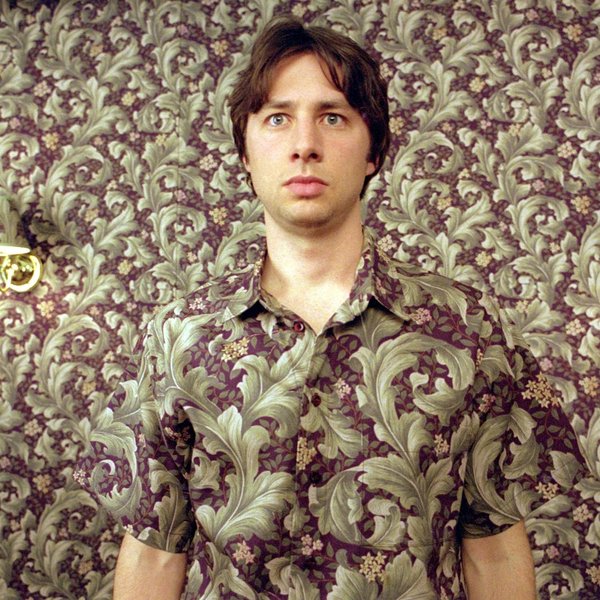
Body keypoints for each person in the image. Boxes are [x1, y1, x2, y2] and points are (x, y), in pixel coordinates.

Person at [81, 16, 586, 600]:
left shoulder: (466, 327)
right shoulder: (180, 335)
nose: (304, 145)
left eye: (333, 117)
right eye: (277, 118)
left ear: (373, 151)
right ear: (246, 153)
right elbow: (153, 552)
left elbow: (493, 552)